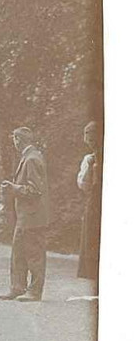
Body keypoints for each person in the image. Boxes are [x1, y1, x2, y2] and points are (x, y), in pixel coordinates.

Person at [0, 126, 50, 302]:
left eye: (14, 139)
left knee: (34, 254)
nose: (14, 142)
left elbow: (35, 191)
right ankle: (17, 287)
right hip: (25, 216)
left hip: (33, 217)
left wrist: (14, 188)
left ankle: (34, 292)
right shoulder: (29, 157)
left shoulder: (32, 159)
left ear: (18, 140)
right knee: (18, 253)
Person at [77, 120, 102, 285]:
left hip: (97, 199)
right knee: (91, 231)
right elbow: (82, 184)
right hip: (93, 199)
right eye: (87, 135)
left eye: (91, 135)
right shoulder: (90, 159)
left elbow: (82, 184)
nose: (88, 139)